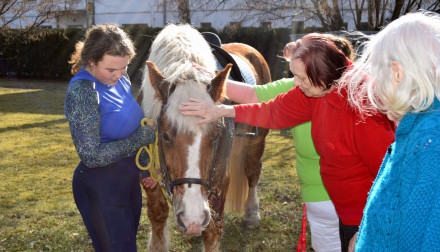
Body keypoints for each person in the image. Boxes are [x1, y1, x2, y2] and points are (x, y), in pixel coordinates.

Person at [179, 33, 396, 252]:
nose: (296, 85)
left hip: (363, 216)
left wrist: (368, 227)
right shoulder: (317, 89)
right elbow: (274, 111)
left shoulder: (364, 109)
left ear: (323, 72)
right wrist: (224, 110)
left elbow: (390, 175)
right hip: (342, 212)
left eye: (301, 78)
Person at [224, 33, 355, 252]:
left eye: (302, 75)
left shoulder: (301, 91)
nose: (298, 82)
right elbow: (260, 100)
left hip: (334, 200)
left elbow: (256, 96)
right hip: (331, 199)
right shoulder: (300, 90)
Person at [340, 11, 440, 251]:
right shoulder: (414, 132)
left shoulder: (429, 146)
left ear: (397, 74)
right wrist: (365, 235)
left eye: (376, 76)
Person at [64, 23, 156, 251]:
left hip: (127, 182)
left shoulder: (122, 81)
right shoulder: (83, 92)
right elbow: (92, 155)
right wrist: (141, 139)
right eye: (111, 70)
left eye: (124, 67)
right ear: (92, 61)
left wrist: (145, 168)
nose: (118, 75)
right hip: (100, 186)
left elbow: (130, 126)